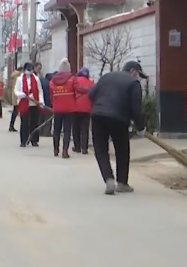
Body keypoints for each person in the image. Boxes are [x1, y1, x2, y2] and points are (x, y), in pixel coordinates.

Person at [88, 61, 146, 195]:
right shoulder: (133, 83)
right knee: (122, 150)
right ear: (132, 71)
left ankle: (109, 179)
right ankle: (122, 183)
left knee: (101, 149)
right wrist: (140, 127)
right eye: (138, 74)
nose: (138, 78)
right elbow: (137, 109)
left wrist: (99, 105)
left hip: (98, 115)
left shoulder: (106, 77)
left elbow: (91, 94)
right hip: (119, 118)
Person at [50, 59, 76, 158]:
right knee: (67, 130)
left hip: (57, 108)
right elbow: (78, 89)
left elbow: (51, 95)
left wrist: (54, 104)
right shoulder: (72, 79)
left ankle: (56, 149)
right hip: (69, 108)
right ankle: (65, 151)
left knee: (56, 129)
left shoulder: (53, 81)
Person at [14, 62, 42, 147]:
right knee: (24, 122)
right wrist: (21, 94)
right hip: (24, 102)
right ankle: (24, 140)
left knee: (34, 122)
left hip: (33, 102)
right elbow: (16, 91)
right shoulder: (19, 79)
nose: (29, 72)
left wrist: (41, 101)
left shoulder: (36, 79)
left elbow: (40, 91)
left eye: (31, 70)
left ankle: (34, 140)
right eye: (28, 70)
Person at [71, 66, 94, 155]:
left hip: (75, 107)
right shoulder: (91, 83)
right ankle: (84, 148)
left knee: (76, 128)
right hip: (87, 108)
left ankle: (77, 147)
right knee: (85, 129)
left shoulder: (75, 81)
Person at [7, 67, 21, 132]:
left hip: (14, 95)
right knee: (16, 111)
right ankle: (11, 126)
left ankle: (11, 125)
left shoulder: (14, 75)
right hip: (18, 96)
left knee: (15, 111)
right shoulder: (18, 75)